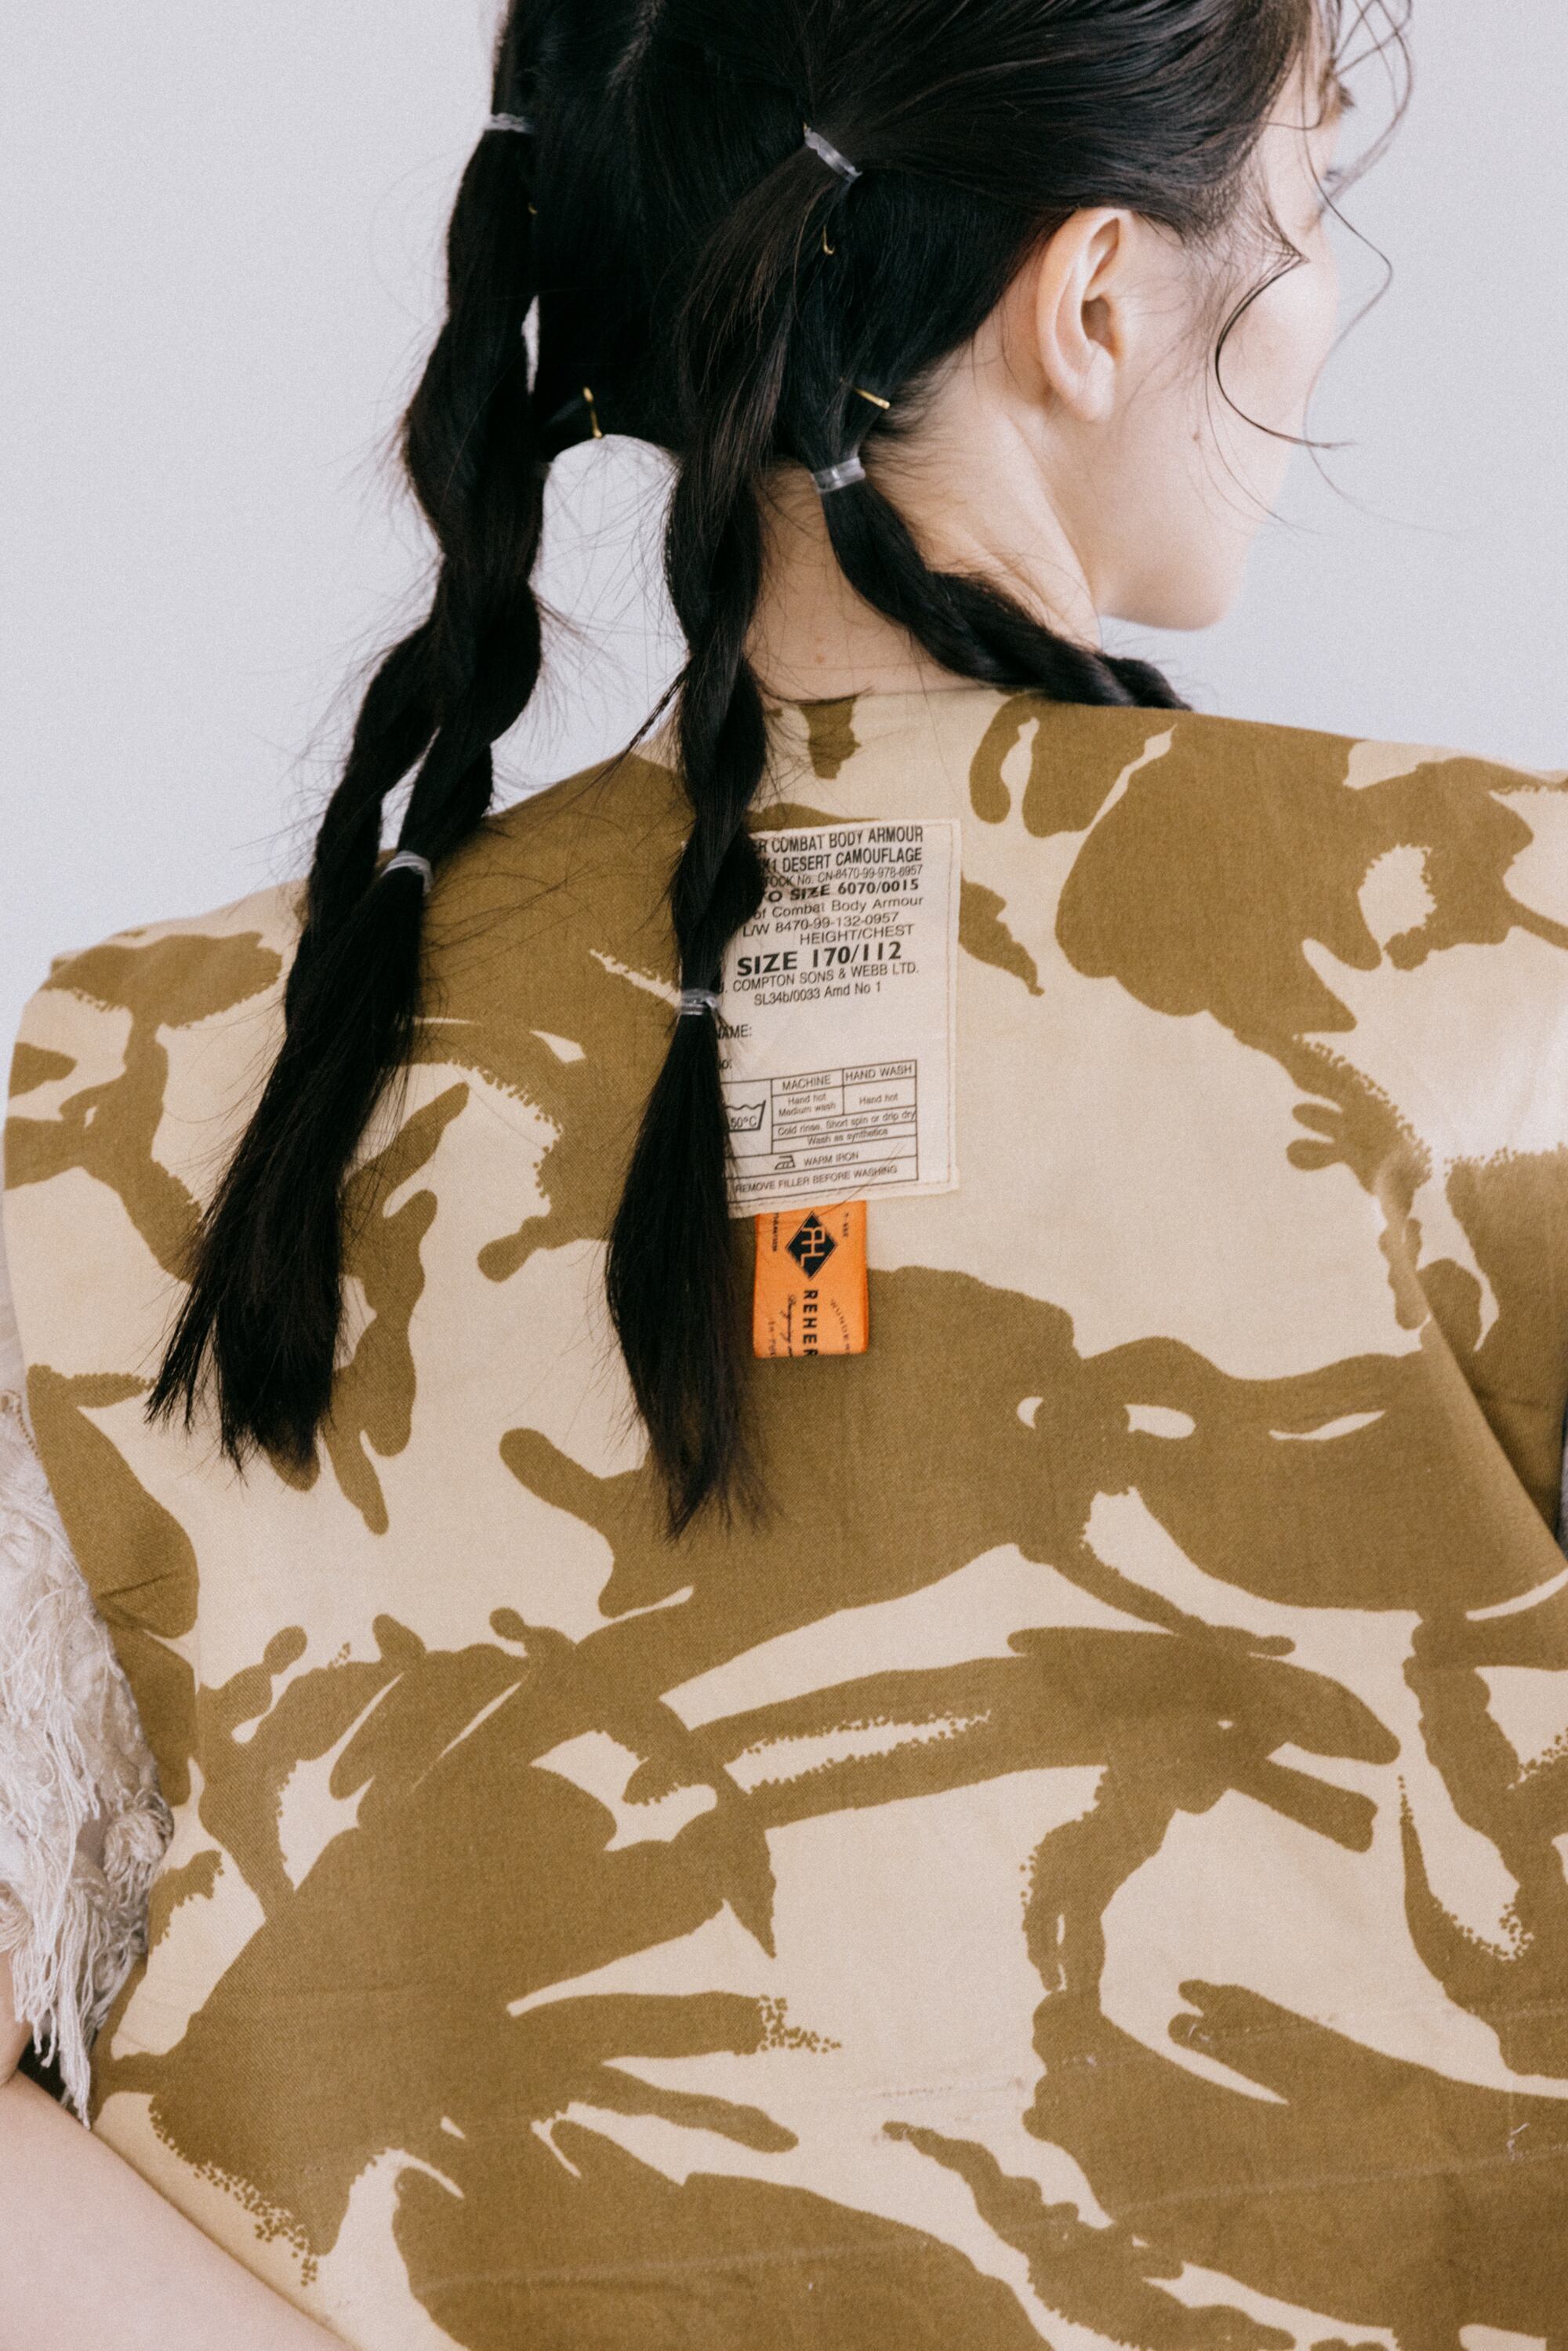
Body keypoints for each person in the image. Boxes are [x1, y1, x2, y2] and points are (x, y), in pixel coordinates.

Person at [7, 0, 1566, 2345]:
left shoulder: (157, 1090)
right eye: (1309, 196)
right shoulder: (1504, 973)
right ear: (1095, 295)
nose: (1321, 295)